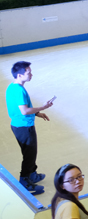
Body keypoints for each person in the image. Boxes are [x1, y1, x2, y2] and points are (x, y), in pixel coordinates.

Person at [5, 61, 52, 195]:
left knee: (31, 153)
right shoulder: (19, 90)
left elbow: (20, 108)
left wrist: (37, 113)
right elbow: (24, 111)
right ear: (19, 75)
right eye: (28, 72)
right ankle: (25, 182)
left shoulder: (13, 87)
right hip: (24, 127)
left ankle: (32, 174)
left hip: (19, 125)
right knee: (29, 155)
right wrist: (43, 107)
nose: (31, 74)